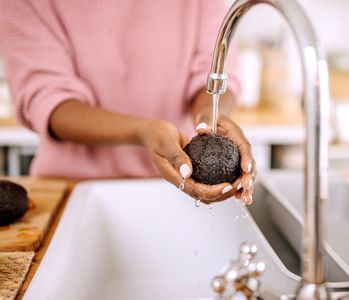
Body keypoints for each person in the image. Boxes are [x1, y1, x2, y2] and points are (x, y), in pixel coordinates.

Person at [0, 0, 255, 204]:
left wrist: (210, 116)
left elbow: (214, 72)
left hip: (176, 188)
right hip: (73, 189)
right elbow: (48, 100)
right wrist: (143, 131)